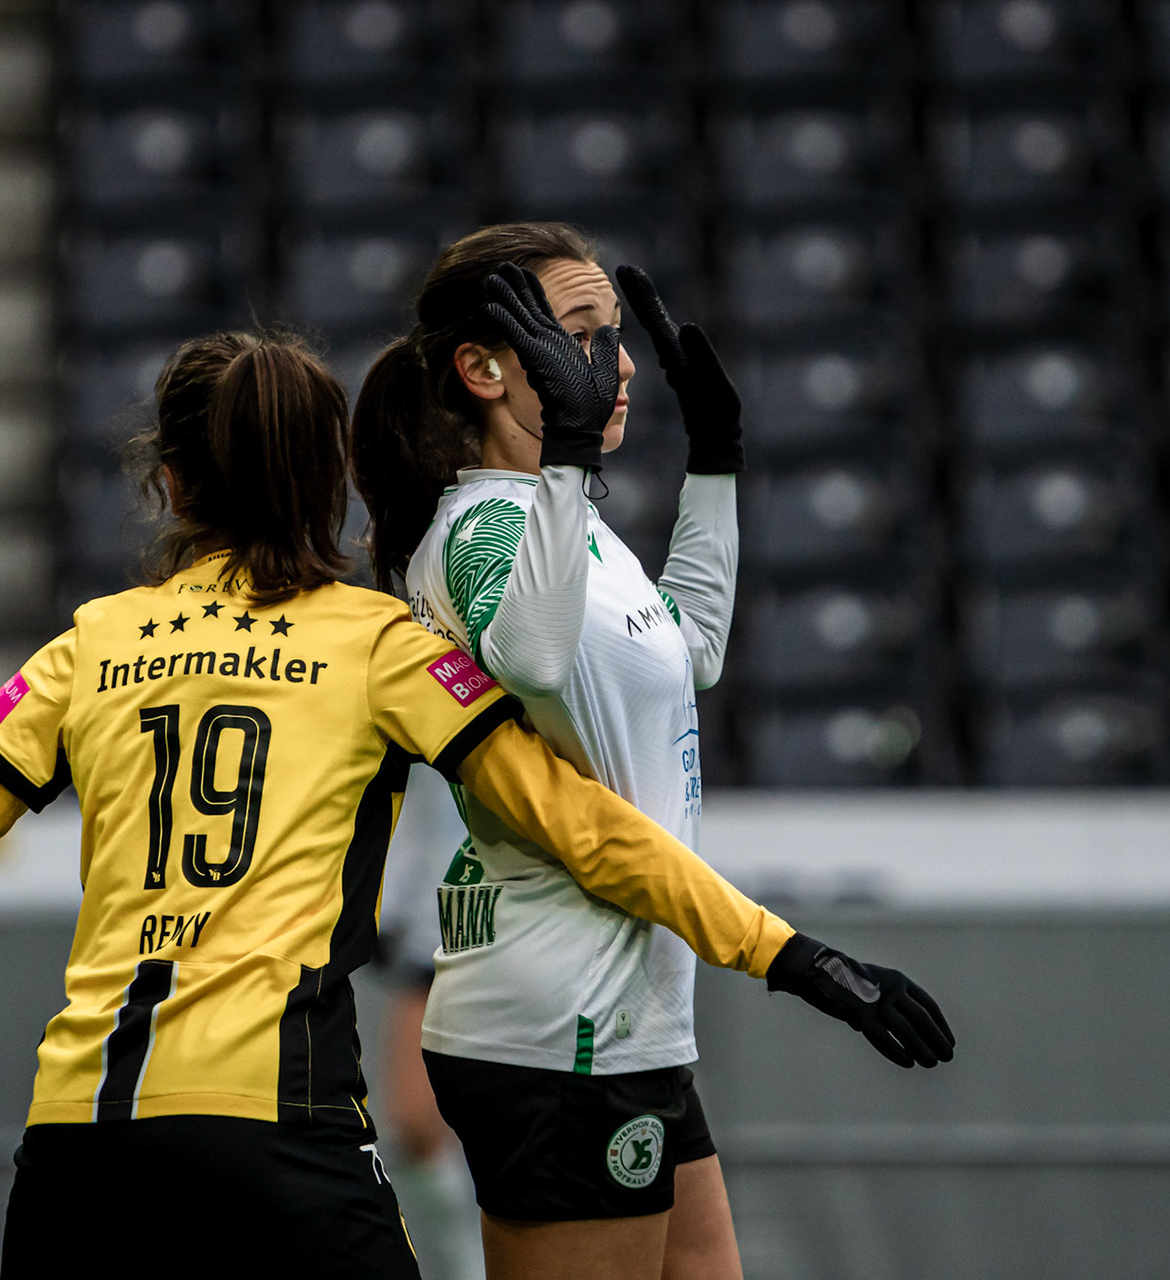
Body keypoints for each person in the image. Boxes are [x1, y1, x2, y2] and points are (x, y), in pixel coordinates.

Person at [0, 330, 950, 1280]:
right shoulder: (381, 647)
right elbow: (588, 828)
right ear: (333, 472)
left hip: (83, 1154)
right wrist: (796, 956)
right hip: (279, 1144)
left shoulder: (94, 643)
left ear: (169, 478)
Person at [351, 223, 950, 1280]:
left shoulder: (570, 525)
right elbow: (534, 658)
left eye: (616, 336)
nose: (619, 363)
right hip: (556, 1017)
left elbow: (694, 649)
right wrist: (572, 457)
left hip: (626, 1008)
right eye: (581, 334)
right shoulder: (489, 530)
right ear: (484, 369)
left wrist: (714, 460)